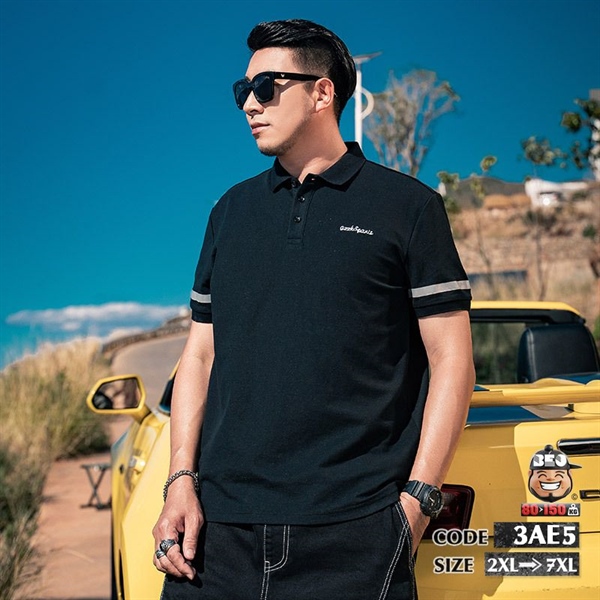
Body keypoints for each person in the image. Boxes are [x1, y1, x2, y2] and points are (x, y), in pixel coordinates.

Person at [152, 18, 475, 600]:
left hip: (355, 537)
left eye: (265, 87)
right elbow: (199, 356)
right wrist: (180, 481)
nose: (249, 104)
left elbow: (452, 360)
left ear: (322, 92)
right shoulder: (230, 211)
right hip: (217, 537)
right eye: (242, 90)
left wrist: (417, 503)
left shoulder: (409, 208)